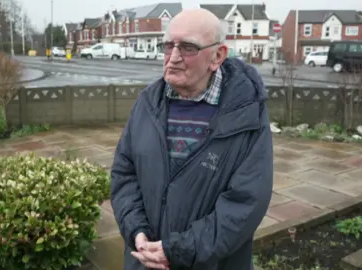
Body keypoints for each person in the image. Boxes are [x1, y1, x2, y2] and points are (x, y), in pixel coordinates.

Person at [110, 8, 273, 270]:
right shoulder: (147, 103)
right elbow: (124, 174)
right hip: (145, 261)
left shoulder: (246, 114)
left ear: (217, 56)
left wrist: (178, 251)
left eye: (188, 47)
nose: (173, 57)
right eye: (168, 46)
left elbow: (246, 203)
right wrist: (136, 232)